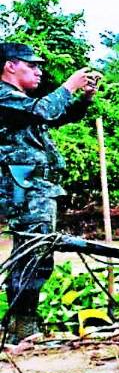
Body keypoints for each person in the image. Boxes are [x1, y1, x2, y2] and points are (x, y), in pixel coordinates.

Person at [0, 43, 100, 341]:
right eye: (32, 66)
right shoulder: (4, 98)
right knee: (36, 253)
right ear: (10, 66)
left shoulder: (19, 102)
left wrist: (85, 98)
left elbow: (58, 116)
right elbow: (45, 109)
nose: (39, 71)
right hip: (25, 185)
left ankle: (19, 325)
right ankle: (24, 328)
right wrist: (69, 85)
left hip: (35, 185)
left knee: (31, 251)